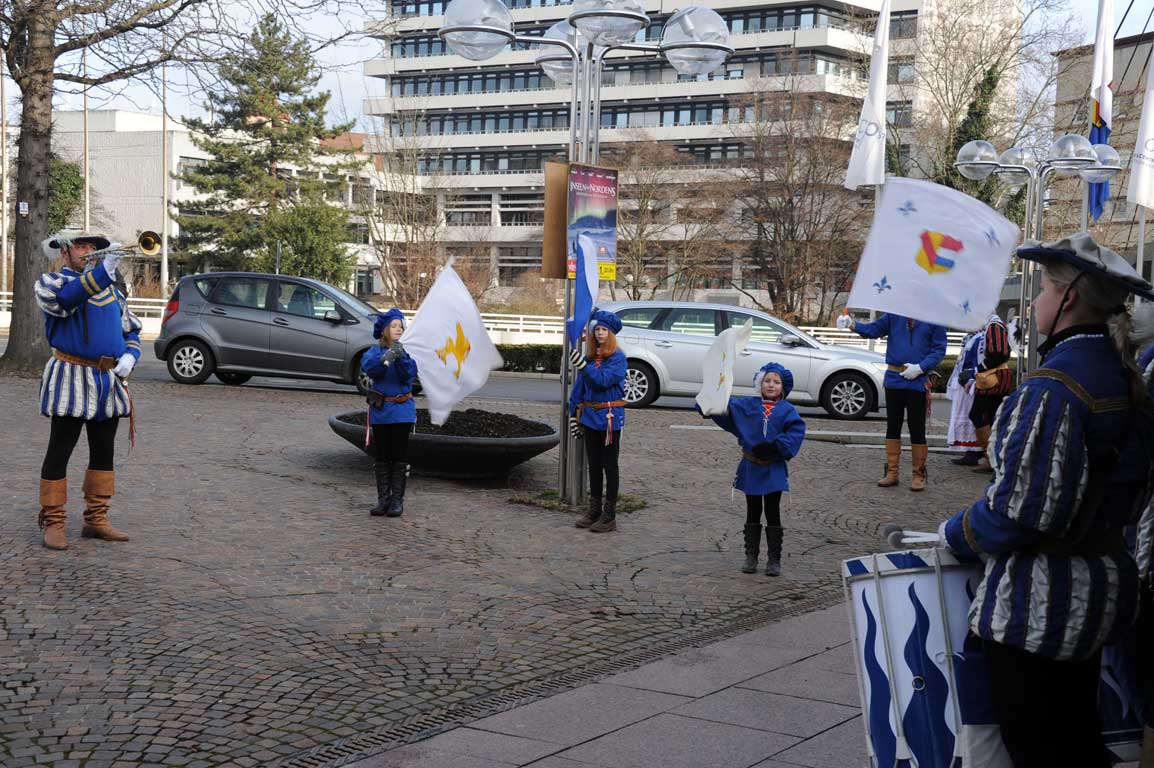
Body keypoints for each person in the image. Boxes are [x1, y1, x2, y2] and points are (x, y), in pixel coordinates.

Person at [938, 234, 1154, 768]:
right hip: (1100, 591)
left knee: (1041, 747)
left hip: (1039, 607)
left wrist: (953, 533)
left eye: (1042, 291)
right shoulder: (1124, 378)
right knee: (1077, 738)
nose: (1033, 303)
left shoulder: (1056, 385)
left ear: (1070, 298)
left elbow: (1021, 514)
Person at [34, 232, 142, 551]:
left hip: (107, 380)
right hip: (70, 375)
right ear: (65, 252)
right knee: (60, 448)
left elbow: (131, 329)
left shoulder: (112, 290)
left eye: (93, 248)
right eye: (81, 247)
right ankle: (53, 520)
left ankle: (96, 519)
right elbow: (67, 301)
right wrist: (103, 272)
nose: (88, 252)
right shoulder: (51, 282)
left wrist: (130, 356)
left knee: (103, 449)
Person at [702, 362, 806, 576]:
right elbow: (725, 407)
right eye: (767, 381)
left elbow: (796, 432)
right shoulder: (747, 405)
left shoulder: (788, 410)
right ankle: (751, 556)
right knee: (752, 511)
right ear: (760, 383)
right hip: (751, 467)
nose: (771, 385)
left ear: (783, 387)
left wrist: (776, 446)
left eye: (776, 382)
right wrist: (708, 404)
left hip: (773, 468)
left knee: (772, 511)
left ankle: (774, 560)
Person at [836, 311, 947, 491]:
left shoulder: (935, 318)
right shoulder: (894, 315)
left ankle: (918, 474)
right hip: (894, 378)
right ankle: (892, 472)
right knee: (893, 426)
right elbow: (872, 330)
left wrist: (921, 367)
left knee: (917, 428)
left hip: (917, 380)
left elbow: (939, 349)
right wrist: (852, 324)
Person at [568, 310, 627, 533]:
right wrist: (574, 415)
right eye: (597, 330)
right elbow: (579, 390)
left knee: (609, 466)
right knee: (593, 465)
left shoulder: (618, 358)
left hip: (610, 419)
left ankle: (609, 516)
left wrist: (584, 367)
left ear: (611, 333)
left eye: (604, 330)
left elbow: (602, 381)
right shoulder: (593, 358)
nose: (600, 333)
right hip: (591, 418)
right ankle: (594, 511)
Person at [362, 308, 418, 518]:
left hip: (402, 411)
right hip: (382, 412)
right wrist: (386, 357)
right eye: (394, 326)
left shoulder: (407, 353)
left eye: (401, 327)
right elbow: (372, 370)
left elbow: (408, 375)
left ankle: (397, 501)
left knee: (399, 455)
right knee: (383, 456)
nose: (398, 330)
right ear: (385, 330)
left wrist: (400, 355)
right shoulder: (373, 353)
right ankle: (383, 500)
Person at [956, 312, 1013, 473]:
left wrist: (977, 369)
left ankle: (992, 458)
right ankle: (993, 458)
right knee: (990, 416)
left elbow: (999, 354)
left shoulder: (994, 326)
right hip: (994, 377)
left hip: (995, 379)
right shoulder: (993, 325)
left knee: (980, 414)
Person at [946, 330, 982, 464]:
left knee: (970, 415)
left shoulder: (980, 338)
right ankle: (970, 452)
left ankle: (975, 452)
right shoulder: (971, 337)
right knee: (966, 414)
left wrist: (971, 377)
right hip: (964, 381)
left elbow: (977, 360)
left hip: (971, 381)